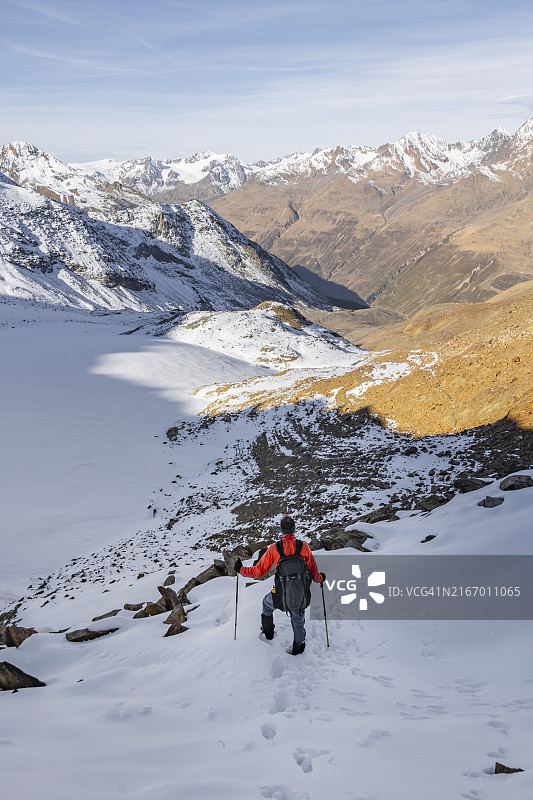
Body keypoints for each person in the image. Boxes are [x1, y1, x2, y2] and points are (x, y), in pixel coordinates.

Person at [234, 515, 325, 656]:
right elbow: (314, 572)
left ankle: (268, 632)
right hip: (300, 595)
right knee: (298, 619)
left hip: (280, 595)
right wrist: (320, 579)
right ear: (294, 529)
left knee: (266, 604)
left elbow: (257, 572)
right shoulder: (304, 547)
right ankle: (299, 647)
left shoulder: (274, 549)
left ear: (281, 530)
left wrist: (240, 569)